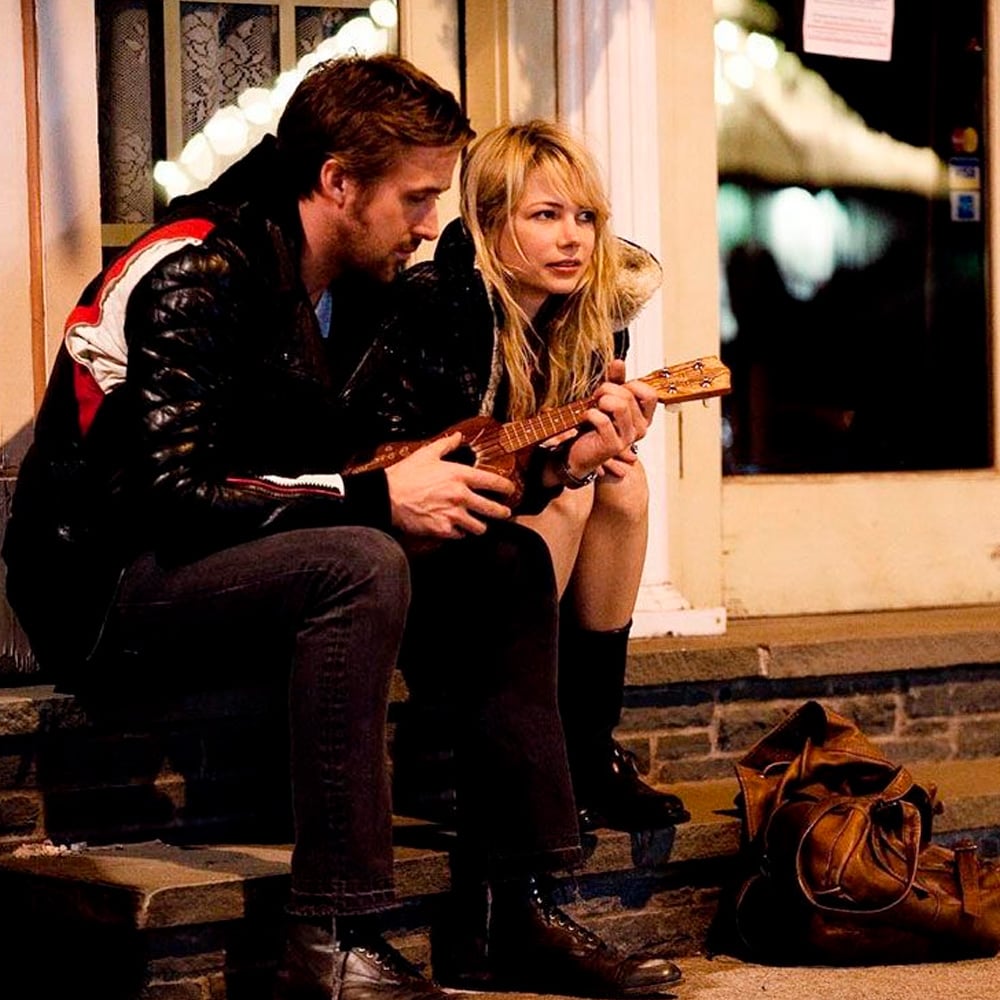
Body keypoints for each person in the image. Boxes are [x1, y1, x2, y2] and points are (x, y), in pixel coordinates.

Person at [2, 57, 681, 1000]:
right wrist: (373, 501)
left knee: (504, 561)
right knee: (360, 560)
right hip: (112, 585)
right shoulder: (197, 268)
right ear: (338, 182)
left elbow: (372, 461)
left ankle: (512, 911)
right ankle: (332, 932)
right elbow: (169, 495)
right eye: (417, 198)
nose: (432, 224)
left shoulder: (353, 283)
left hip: (249, 553)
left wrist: (556, 468)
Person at [354, 119, 690, 836]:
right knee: (566, 502)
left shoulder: (591, 323)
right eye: (545, 216)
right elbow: (404, 459)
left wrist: (598, 443)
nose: (573, 239)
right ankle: (472, 751)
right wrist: (555, 470)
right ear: (489, 222)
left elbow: (564, 462)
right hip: (426, 555)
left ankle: (587, 749)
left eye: (586, 218)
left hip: (510, 538)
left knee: (622, 484)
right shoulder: (437, 305)